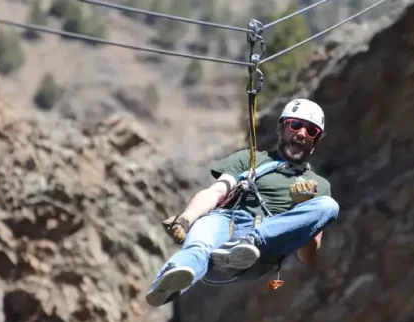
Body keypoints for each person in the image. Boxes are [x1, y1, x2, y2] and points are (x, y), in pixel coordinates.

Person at [145, 98, 340, 308]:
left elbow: (308, 255)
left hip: (267, 244)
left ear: (316, 140)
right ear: (282, 127)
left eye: (311, 131)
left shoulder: (318, 187)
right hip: (226, 223)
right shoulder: (250, 159)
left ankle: (250, 242)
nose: (302, 134)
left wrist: (304, 207)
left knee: (329, 206)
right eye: (296, 125)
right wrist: (186, 219)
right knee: (199, 244)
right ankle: (168, 282)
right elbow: (217, 191)